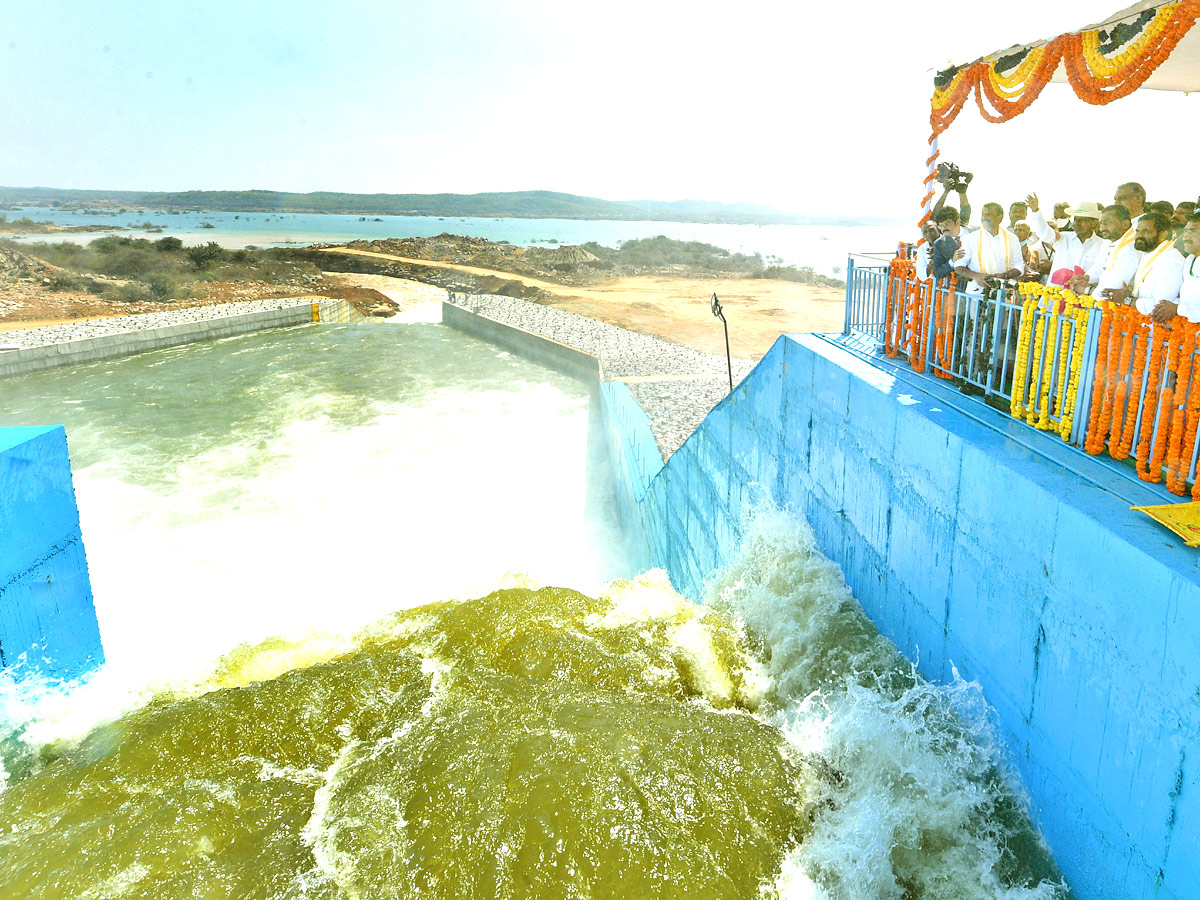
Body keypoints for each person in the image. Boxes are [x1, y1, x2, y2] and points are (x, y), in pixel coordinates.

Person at [1122, 212, 1185, 319]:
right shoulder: (1147, 254)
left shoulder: (1172, 260)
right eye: (1137, 231)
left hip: (1156, 328)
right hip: (1138, 323)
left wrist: (1128, 300)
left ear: (1163, 234)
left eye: (1146, 231)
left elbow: (1160, 306)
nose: (1139, 236)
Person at [1028, 194, 1108, 276]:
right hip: (1057, 288)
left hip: (1084, 288)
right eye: (1075, 219)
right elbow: (1044, 233)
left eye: (1081, 220)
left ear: (1093, 223)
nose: (1076, 223)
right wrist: (1036, 211)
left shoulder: (1102, 245)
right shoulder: (1063, 238)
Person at [1071, 205, 1139, 300]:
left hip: (1119, 308)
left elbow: (1113, 289)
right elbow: (1100, 265)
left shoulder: (1130, 249)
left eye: (1106, 223)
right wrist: (1086, 278)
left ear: (1125, 224)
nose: (1102, 228)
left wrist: (1087, 290)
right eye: (1101, 223)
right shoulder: (1110, 241)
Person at [954, 202, 1023, 294]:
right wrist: (976, 276)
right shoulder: (970, 238)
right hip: (976, 293)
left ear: (999, 217)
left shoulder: (1012, 238)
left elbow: (1019, 267)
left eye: (988, 214)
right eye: (983, 214)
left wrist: (1004, 276)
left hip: (1001, 293)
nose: (984, 217)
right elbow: (959, 266)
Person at [1175, 213, 1200, 323]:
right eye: (1185, 231)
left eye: (1192, 231)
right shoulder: (1189, 259)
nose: (1185, 237)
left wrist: (1177, 309)